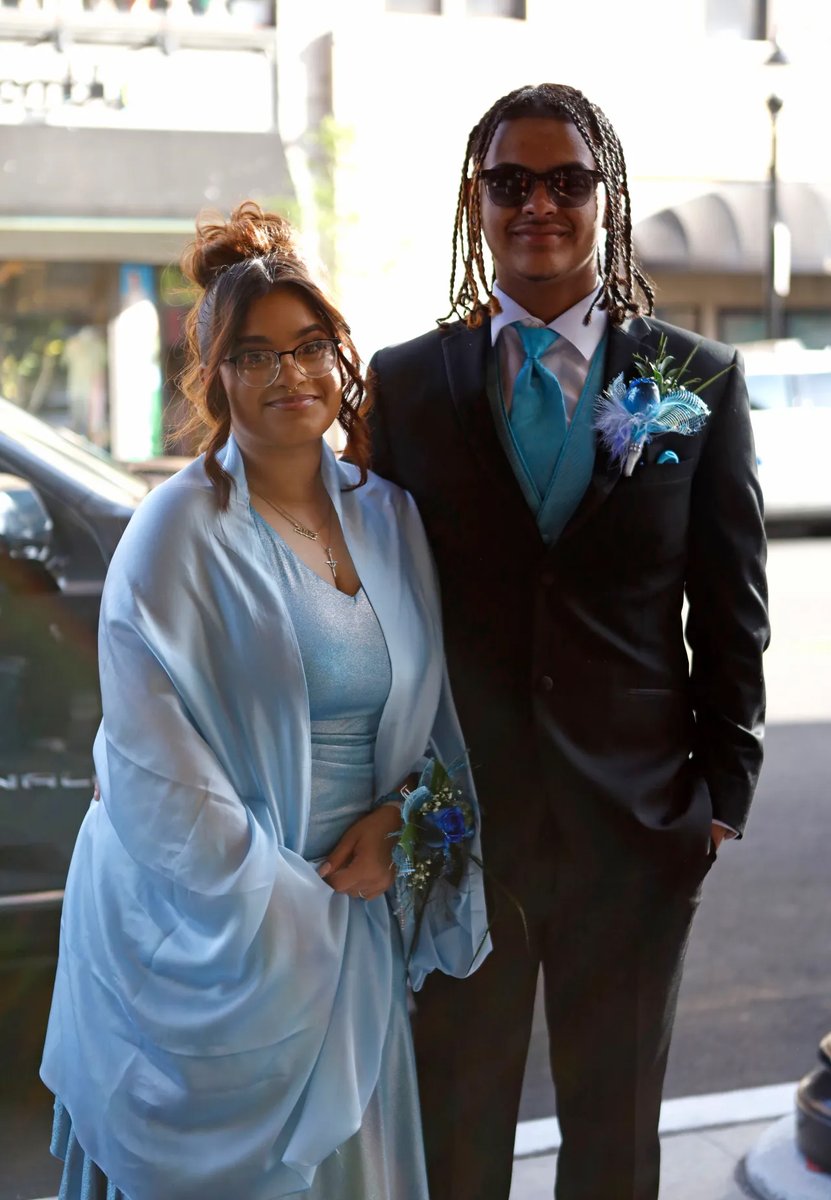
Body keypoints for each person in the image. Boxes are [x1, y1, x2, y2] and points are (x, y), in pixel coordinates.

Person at [40, 201, 489, 1200]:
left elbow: (432, 725)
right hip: (227, 945)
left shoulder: (390, 517)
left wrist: (405, 825)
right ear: (214, 376)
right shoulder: (176, 534)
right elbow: (155, 773)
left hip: (357, 912)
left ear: (342, 356)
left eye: (309, 345)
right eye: (255, 356)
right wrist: (291, 912)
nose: (290, 374)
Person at [368, 82, 769, 1200]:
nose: (538, 204)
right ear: (476, 200)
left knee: (612, 1147)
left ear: (606, 198)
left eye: (567, 181)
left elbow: (730, 603)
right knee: (460, 1135)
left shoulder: (688, 381)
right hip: (460, 831)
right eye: (511, 183)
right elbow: (376, 600)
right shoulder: (408, 383)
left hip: (635, 831)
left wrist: (718, 797)